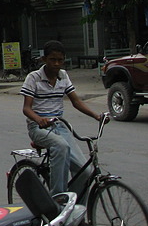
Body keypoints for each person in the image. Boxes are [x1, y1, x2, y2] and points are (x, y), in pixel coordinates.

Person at [20, 40, 106, 195]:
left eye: (60, 60)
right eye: (52, 60)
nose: (56, 63)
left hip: (60, 126)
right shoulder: (33, 78)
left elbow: (76, 101)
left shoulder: (63, 76)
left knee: (85, 172)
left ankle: (73, 211)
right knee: (61, 146)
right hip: (38, 127)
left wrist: (96, 116)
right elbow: (26, 108)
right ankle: (57, 199)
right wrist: (39, 119)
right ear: (44, 59)